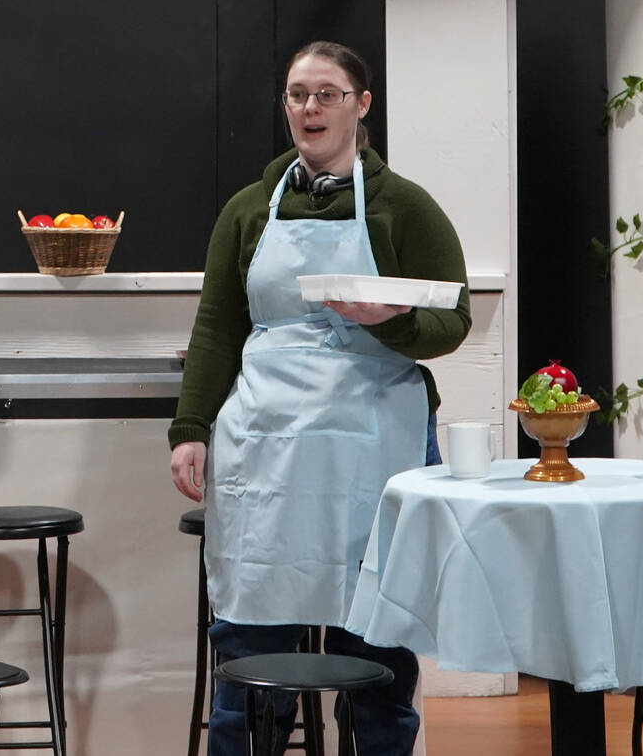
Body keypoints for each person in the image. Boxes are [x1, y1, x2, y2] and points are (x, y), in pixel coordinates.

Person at [168, 40, 468, 756]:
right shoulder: (248, 210)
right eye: (298, 94)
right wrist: (191, 427)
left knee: (376, 635)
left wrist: (388, 319)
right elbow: (218, 327)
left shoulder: (402, 206)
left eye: (327, 93)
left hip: (375, 436)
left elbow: (451, 320)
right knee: (246, 633)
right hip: (265, 437)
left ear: (362, 105)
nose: (309, 107)